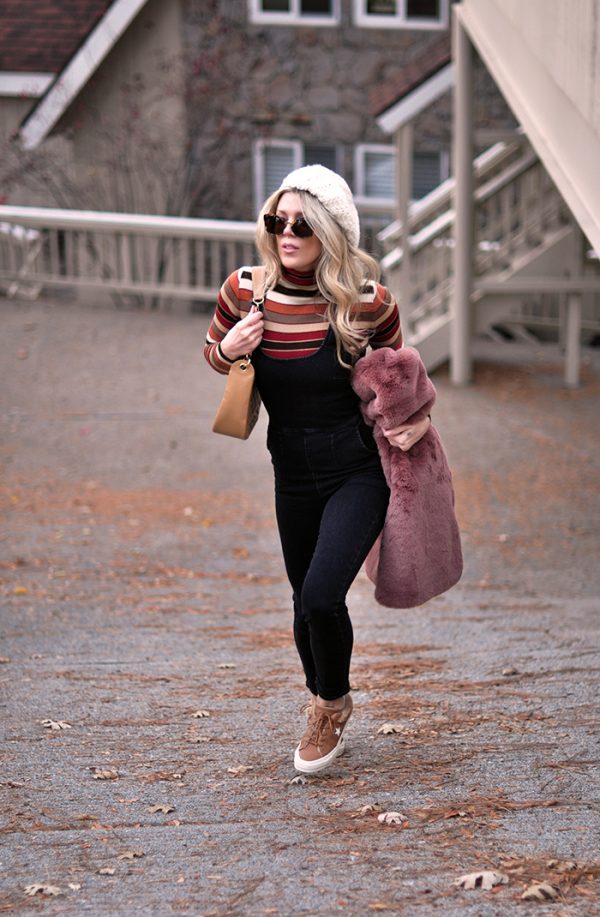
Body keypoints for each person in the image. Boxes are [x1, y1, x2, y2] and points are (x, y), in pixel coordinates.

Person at [204, 165, 430, 774]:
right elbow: (212, 352)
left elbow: (402, 380)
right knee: (302, 600)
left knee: (322, 594)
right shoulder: (244, 290)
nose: (286, 233)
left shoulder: (368, 302)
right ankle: (327, 693)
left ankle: (328, 709)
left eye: (302, 225)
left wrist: (420, 420)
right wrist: (228, 349)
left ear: (331, 231)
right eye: (277, 220)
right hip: (290, 469)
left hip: (357, 467)